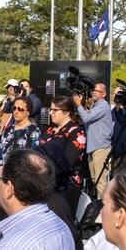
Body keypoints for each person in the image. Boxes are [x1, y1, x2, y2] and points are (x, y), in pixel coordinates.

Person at [40, 96, 88, 224]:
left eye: (55, 110)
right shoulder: (51, 130)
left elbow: (67, 162)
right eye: (51, 109)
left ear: (66, 112)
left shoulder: (76, 133)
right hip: (46, 184)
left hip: (65, 188)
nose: (51, 113)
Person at [76, 82, 112, 198]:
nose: (95, 93)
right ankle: (98, 206)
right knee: (95, 180)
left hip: (100, 147)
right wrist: (86, 107)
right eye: (94, 91)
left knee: (100, 182)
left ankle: (103, 208)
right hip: (93, 147)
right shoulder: (95, 105)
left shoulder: (103, 105)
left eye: (98, 91)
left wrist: (78, 105)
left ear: (104, 94)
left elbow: (86, 118)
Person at [0, 93, 42, 165]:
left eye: (20, 109)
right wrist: (0, 167)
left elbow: (30, 157)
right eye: (14, 108)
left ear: (28, 112)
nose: (16, 112)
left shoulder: (33, 131)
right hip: (1, 172)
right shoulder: (8, 129)